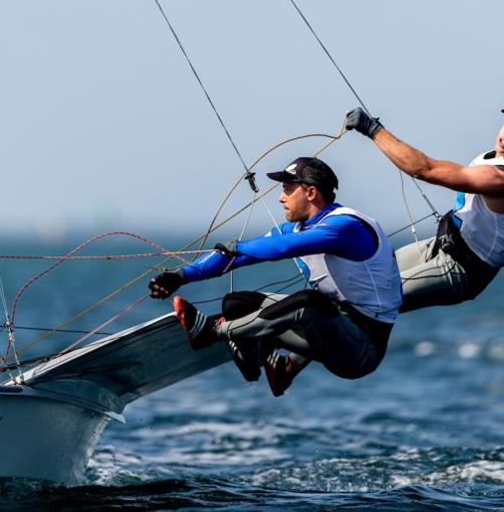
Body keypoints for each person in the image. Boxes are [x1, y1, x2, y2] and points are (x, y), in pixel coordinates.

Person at [148, 157, 402, 397]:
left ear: (311, 192)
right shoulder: (297, 227)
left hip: (360, 350)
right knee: (235, 304)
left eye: (288, 189)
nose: (281, 198)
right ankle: (262, 361)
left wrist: (239, 246)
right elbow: (236, 257)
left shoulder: (345, 227)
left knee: (307, 302)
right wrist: (181, 276)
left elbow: (282, 248)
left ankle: (212, 332)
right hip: (326, 332)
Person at [344, 103, 504, 312]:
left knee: (375, 296)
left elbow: (425, 169)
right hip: (441, 245)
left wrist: (373, 130)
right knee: (365, 273)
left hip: (461, 269)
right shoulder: (501, 156)